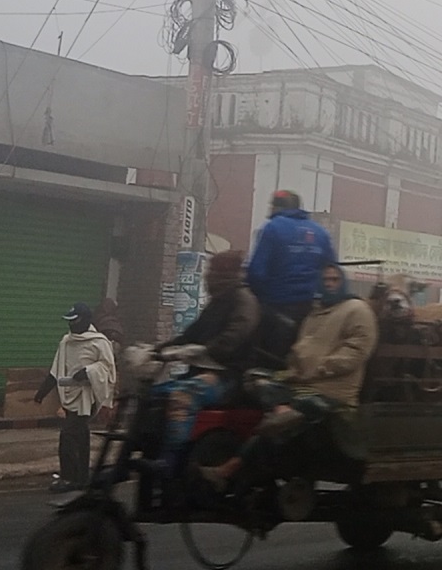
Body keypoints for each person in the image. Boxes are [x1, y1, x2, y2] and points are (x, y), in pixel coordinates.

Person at [202, 264, 377, 489]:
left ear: (343, 282)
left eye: (335, 279)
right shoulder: (315, 312)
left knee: (280, 424)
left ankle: (229, 469)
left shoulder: (357, 310)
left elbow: (357, 350)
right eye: (325, 279)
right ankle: (282, 410)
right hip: (301, 384)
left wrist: (321, 368)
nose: (330, 284)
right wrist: (289, 373)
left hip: (332, 392)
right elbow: (300, 349)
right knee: (256, 378)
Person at [153, 250, 259, 475]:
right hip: (204, 371)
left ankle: (172, 460)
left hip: (229, 377)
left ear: (225, 273)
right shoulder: (216, 303)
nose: (208, 276)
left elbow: (232, 338)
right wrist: (158, 350)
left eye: (213, 271)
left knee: (183, 394)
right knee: (154, 394)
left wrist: (201, 351)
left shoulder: (244, 300)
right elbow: (190, 334)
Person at [34, 303, 117, 493]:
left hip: (86, 396)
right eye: (69, 321)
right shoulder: (66, 342)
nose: (71, 326)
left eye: (75, 321)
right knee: (80, 436)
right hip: (69, 394)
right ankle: (82, 478)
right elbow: (56, 370)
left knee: (68, 436)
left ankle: (69, 478)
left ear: (86, 320)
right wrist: (42, 392)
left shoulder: (100, 342)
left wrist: (88, 371)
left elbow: (108, 369)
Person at [246, 190, 337, 366]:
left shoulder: (272, 227)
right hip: (313, 312)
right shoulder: (321, 233)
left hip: (276, 309)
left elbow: (256, 273)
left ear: (276, 207)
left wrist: (262, 299)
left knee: (259, 360)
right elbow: (332, 271)